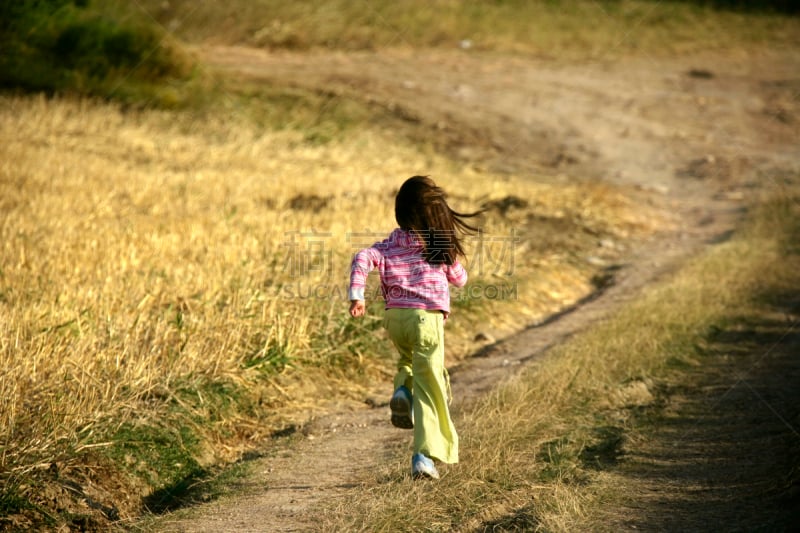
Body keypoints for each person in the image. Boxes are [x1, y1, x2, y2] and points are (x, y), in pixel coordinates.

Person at [348, 175, 482, 479]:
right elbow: (461, 280)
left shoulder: (390, 244)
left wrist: (357, 295)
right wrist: (454, 258)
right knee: (431, 388)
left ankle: (402, 390)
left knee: (408, 362)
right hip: (426, 320)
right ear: (434, 215)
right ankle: (423, 455)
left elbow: (362, 258)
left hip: (396, 320)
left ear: (401, 212)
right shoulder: (436, 246)